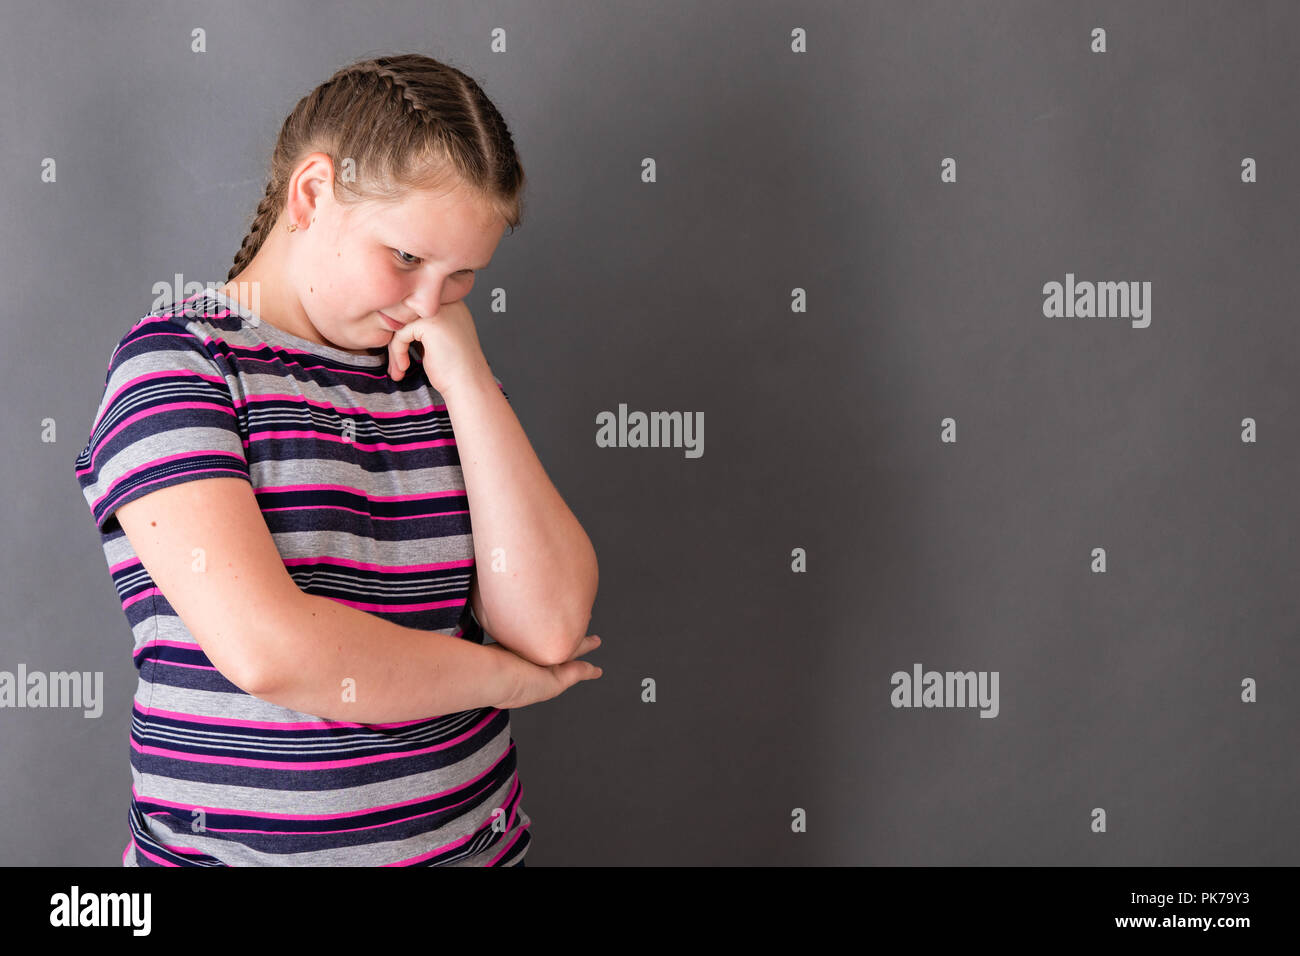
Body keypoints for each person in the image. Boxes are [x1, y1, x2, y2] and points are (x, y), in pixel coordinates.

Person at [73, 53, 602, 866]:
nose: (427, 303)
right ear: (313, 193)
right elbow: (272, 651)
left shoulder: (434, 370)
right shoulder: (180, 366)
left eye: (462, 277)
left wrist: (463, 374)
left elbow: (550, 624)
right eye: (407, 259)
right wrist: (503, 681)